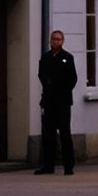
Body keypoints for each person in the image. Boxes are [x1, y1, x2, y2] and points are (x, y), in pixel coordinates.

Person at [34, 29, 77, 175]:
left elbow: (73, 79)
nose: (56, 42)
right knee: (48, 134)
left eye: (58, 39)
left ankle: (68, 166)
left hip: (63, 101)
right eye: (53, 39)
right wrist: (48, 85)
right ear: (50, 41)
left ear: (62, 41)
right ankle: (48, 165)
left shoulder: (67, 58)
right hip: (49, 100)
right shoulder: (45, 58)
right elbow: (41, 74)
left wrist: (61, 88)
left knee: (65, 133)